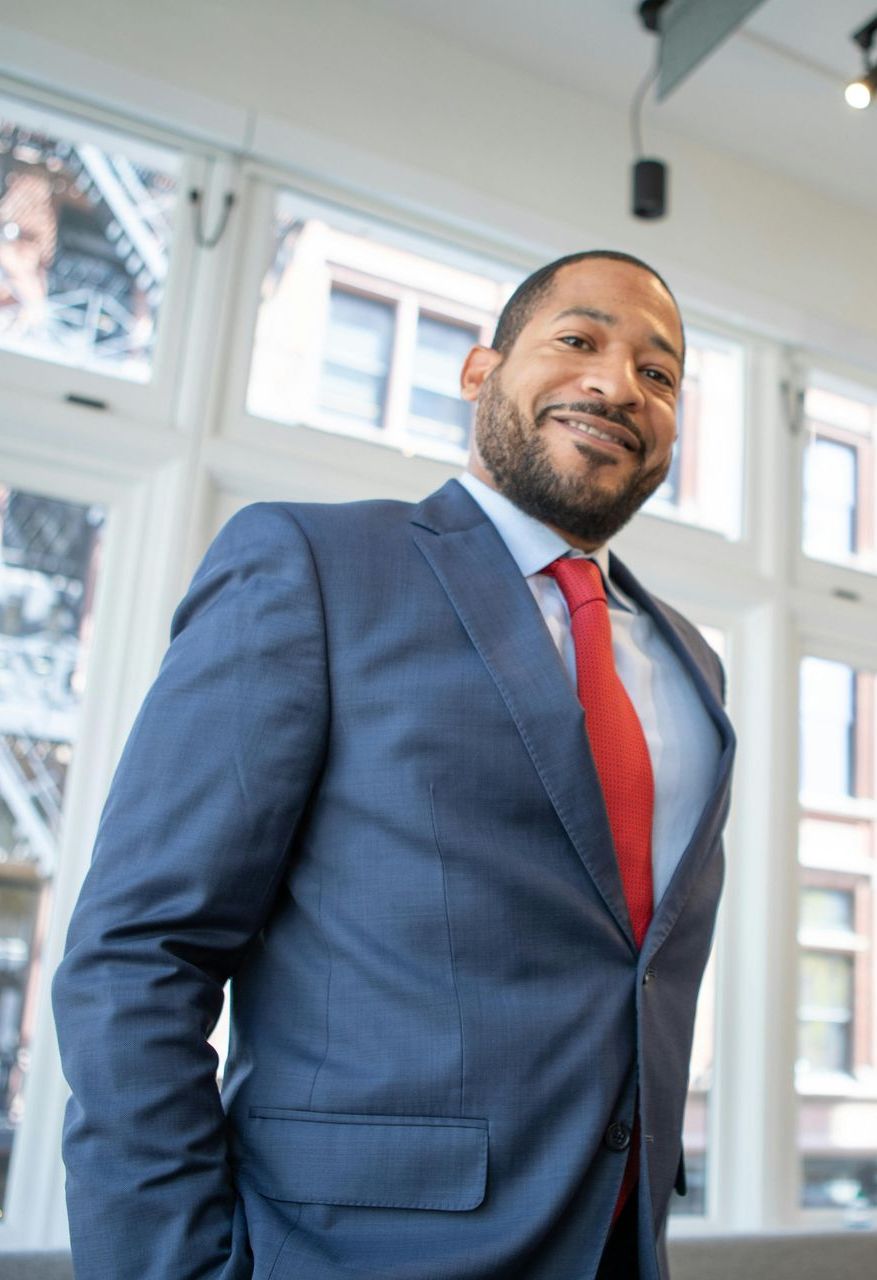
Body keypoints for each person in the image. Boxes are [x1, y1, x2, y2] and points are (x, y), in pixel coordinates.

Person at [53, 250, 735, 1280]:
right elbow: (144, 952)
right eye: (579, 340)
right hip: (345, 1246)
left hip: (615, 1244)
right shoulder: (310, 566)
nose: (615, 383)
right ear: (478, 371)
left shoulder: (692, 662)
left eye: (658, 372)